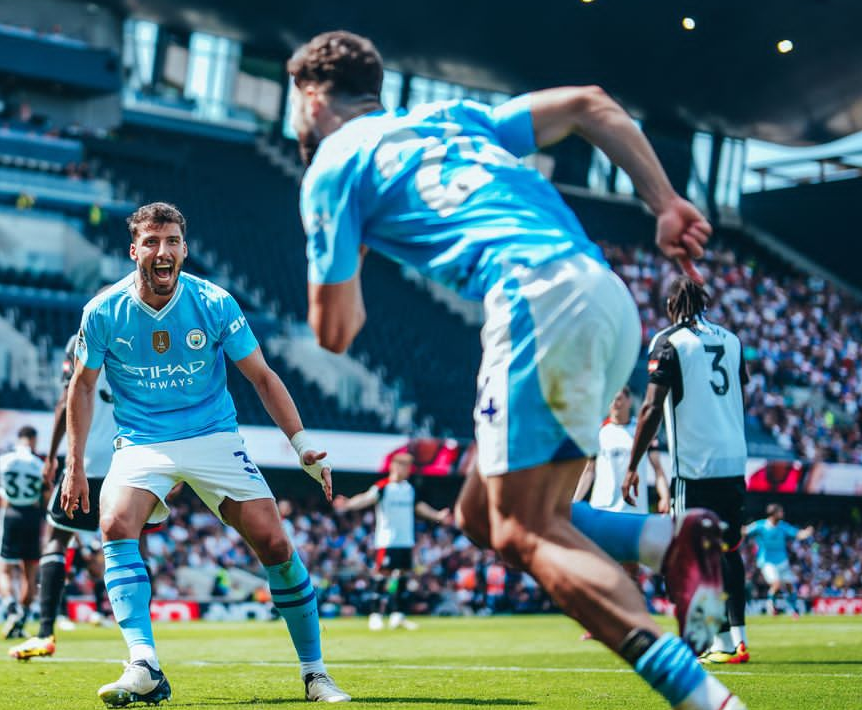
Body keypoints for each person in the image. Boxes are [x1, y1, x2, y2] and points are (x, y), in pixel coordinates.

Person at [288, 31, 743, 709]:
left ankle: (705, 699)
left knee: (524, 531)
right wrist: (664, 204)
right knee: (479, 515)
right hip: (603, 294)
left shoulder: (330, 168)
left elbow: (334, 332)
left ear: (312, 96)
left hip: (536, 302)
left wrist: (343, 246)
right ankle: (666, 537)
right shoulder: (445, 120)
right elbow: (589, 104)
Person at [60, 202, 350, 706]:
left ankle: (315, 674)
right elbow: (81, 388)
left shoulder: (215, 302)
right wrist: (75, 465)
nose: (162, 251)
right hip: (143, 441)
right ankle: (143, 663)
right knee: (114, 525)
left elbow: (261, 376)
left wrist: (302, 443)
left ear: (184, 250)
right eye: (151, 242)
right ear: (134, 251)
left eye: (171, 241)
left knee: (275, 546)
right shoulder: (103, 312)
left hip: (213, 436)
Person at [625, 277, 750, 665]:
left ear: (670, 305)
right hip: (734, 460)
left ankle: (711, 640)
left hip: (694, 465)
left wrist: (633, 465)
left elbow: (650, 408)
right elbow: (737, 392)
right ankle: (735, 640)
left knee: (690, 551)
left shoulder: (669, 341)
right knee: (729, 551)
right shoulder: (731, 339)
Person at [8, 334, 116, 660]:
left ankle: (45, 633)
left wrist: (53, 454)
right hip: (130, 458)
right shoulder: (140, 334)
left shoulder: (81, 338)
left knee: (56, 538)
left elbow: (65, 399)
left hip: (89, 461)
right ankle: (142, 645)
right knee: (135, 544)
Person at [333, 451, 450, 631]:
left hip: (406, 541)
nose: (408, 470)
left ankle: (397, 616)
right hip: (387, 541)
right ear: (395, 466)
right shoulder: (383, 487)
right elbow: (366, 498)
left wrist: (437, 515)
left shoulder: (409, 489)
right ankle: (375, 615)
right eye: (404, 466)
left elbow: (419, 507)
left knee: (402, 578)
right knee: (382, 576)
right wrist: (349, 504)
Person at [575, 387, 670, 515]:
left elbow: (658, 470)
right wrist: (574, 502)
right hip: (602, 508)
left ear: (629, 401)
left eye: (619, 398)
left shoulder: (642, 430)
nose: (615, 403)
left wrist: (665, 497)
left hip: (634, 510)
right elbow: (588, 472)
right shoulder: (598, 431)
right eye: (611, 399)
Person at [0, 426, 45, 639]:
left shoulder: (3, 457)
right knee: (29, 572)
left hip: (10, 511)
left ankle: (11, 608)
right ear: (33, 439)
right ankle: (21, 618)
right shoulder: (40, 460)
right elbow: (46, 492)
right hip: (32, 514)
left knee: (2, 567)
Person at [744, 503, 813, 619]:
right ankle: (771, 606)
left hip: (782, 561)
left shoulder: (783, 526)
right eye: (780, 512)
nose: (782, 514)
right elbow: (746, 531)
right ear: (773, 514)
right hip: (767, 562)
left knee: (790, 585)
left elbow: (798, 534)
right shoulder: (760, 525)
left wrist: (806, 533)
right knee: (776, 583)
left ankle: (794, 610)